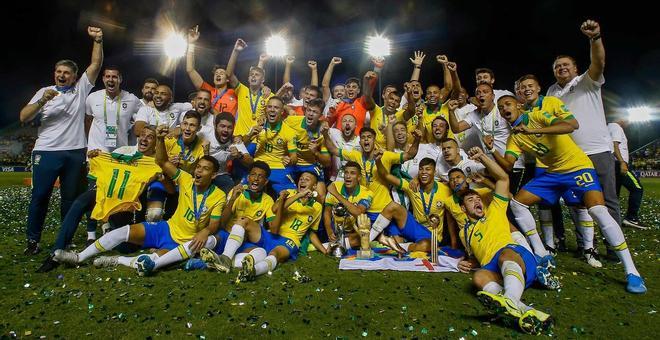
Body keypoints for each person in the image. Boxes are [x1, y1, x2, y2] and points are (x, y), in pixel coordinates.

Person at [496, 94, 646, 293]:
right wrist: (489, 150)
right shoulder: (514, 137)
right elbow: (507, 164)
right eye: (500, 107)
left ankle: (632, 271)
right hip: (552, 174)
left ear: (518, 105)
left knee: (598, 211)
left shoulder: (539, 116)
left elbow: (570, 125)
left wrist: (532, 129)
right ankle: (541, 252)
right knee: (517, 203)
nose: (504, 108)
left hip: (578, 167)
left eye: (507, 104)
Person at [53, 125, 226, 275]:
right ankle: (78, 257)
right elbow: (162, 161)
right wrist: (159, 138)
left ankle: (117, 260)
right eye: (198, 167)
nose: (199, 171)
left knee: (153, 260)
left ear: (214, 175)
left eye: (205, 169)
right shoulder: (186, 179)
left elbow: (214, 224)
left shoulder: (218, 195)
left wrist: (205, 232)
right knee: (122, 232)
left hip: (185, 241)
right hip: (165, 228)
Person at [19, 26, 104, 255]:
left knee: (70, 200)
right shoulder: (44, 92)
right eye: (58, 71)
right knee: (40, 197)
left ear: (74, 76)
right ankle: (33, 242)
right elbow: (23, 117)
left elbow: (95, 66)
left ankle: (64, 241)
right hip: (46, 151)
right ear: (54, 73)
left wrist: (97, 40)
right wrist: (41, 102)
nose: (62, 75)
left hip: (75, 152)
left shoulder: (80, 90)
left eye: (66, 72)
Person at [36, 126, 164, 272]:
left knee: (125, 248)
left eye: (150, 137)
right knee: (79, 202)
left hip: (129, 205)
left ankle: (113, 232)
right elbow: (104, 172)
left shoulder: (156, 161)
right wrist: (96, 157)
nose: (144, 139)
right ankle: (55, 253)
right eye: (142, 135)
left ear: (155, 142)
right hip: (108, 194)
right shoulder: (123, 151)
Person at [457, 147, 553, 335]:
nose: (476, 201)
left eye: (478, 198)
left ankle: (508, 299)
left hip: (516, 257)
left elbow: (503, 179)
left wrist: (482, 157)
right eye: (470, 200)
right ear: (462, 208)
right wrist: (464, 263)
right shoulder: (464, 233)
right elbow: (475, 257)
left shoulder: (495, 210)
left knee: (504, 255)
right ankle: (526, 311)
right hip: (494, 267)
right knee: (478, 278)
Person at [546, 20, 622, 227]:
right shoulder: (551, 92)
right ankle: (587, 247)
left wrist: (594, 38)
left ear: (575, 68)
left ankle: (614, 249)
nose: (561, 68)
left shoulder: (585, 81)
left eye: (565, 65)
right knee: (576, 202)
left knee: (607, 200)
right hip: (570, 155)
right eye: (557, 66)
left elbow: (599, 63)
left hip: (596, 149)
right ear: (553, 72)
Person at [203, 172, 325, 280]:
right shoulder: (289, 193)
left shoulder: (317, 207)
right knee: (244, 220)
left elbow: (311, 232)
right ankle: (226, 259)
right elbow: (275, 208)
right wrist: (298, 195)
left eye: (307, 179)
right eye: (301, 178)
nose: (302, 180)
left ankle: (253, 271)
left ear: (314, 186)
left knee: (274, 254)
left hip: (290, 241)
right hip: (271, 235)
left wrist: (323, 250)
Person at [246, 96, 298, 193]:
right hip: (258, 167)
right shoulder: (257, 127)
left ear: (282, 111)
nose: (272, 110)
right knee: (238, 192)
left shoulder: (289, 132)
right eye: (269, 107)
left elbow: (294, 157)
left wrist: (290, 161)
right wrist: (249, 136)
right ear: (266, 110)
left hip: (278, 168)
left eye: (276, 107)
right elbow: (246, 150)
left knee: (292, 197)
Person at [85, 66, 141, 152]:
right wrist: (89, 143)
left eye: (114, 77)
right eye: (107, 76)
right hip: (96, 151)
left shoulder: (131, 99)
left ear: (120, 79)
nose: (111, 80)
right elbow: (87, 120)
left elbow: (146, 114)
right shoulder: (93, 97)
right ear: (103, 79)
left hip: (120, 152)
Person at [226, 39, 274, 138]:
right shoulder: (242, 90)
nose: (253, 76)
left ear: (263, 80)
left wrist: (265, 116)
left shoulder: (268, 95)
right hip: (239, 138)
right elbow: (229, 74)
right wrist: (236, 51)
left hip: (258, 140)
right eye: (251, 74)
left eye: (256, 75)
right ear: (248, 79)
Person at [186, 27, 238, 116]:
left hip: (227, 128)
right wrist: (191, 44)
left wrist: (263, 87)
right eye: (216, 74)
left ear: (228, 79)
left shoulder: (235, 93)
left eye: (221, 73)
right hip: (209, 128)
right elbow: (190, 70)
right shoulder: (208, 90)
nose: (218, 75)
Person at [323, 161, 376, 248]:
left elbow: (358, 212)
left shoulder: (367, 193)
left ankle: (331, 245)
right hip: (335, 228)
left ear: (359, 177)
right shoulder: (335, 185)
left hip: (353, 231)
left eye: (352, 173)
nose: (348, 176)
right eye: (346, 173)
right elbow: (327, 212)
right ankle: (336, 243)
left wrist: (336, 194)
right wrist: (329, 230)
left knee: (364, 236)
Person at [608, 119, 646, 229]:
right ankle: (631, 218)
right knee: (637, 188)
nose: (629, 122)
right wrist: (622, 162)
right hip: (618, 164)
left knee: (614, 194)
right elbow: (615, 146)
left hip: (613, 164)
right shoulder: (615, 126)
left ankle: (611, 219)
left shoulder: (609, 126)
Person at [207, 112, 253, 193]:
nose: (226, 130)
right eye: (222, 126)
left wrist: (239, 155)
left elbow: (250, 162)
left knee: (229, 184)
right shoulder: (205, 134)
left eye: (229, 127)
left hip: (220, 175)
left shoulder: (235, 142)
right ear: (215, 125)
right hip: (203, 173)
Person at [327, 114, 360, 181]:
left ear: (356, 125)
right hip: (335, 179)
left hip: (352, 180)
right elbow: (322, 125)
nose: (347, 123)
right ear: (341, 124)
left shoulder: (359, 141)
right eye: (344, 121)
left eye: (350, 121)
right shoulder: (334, 133)